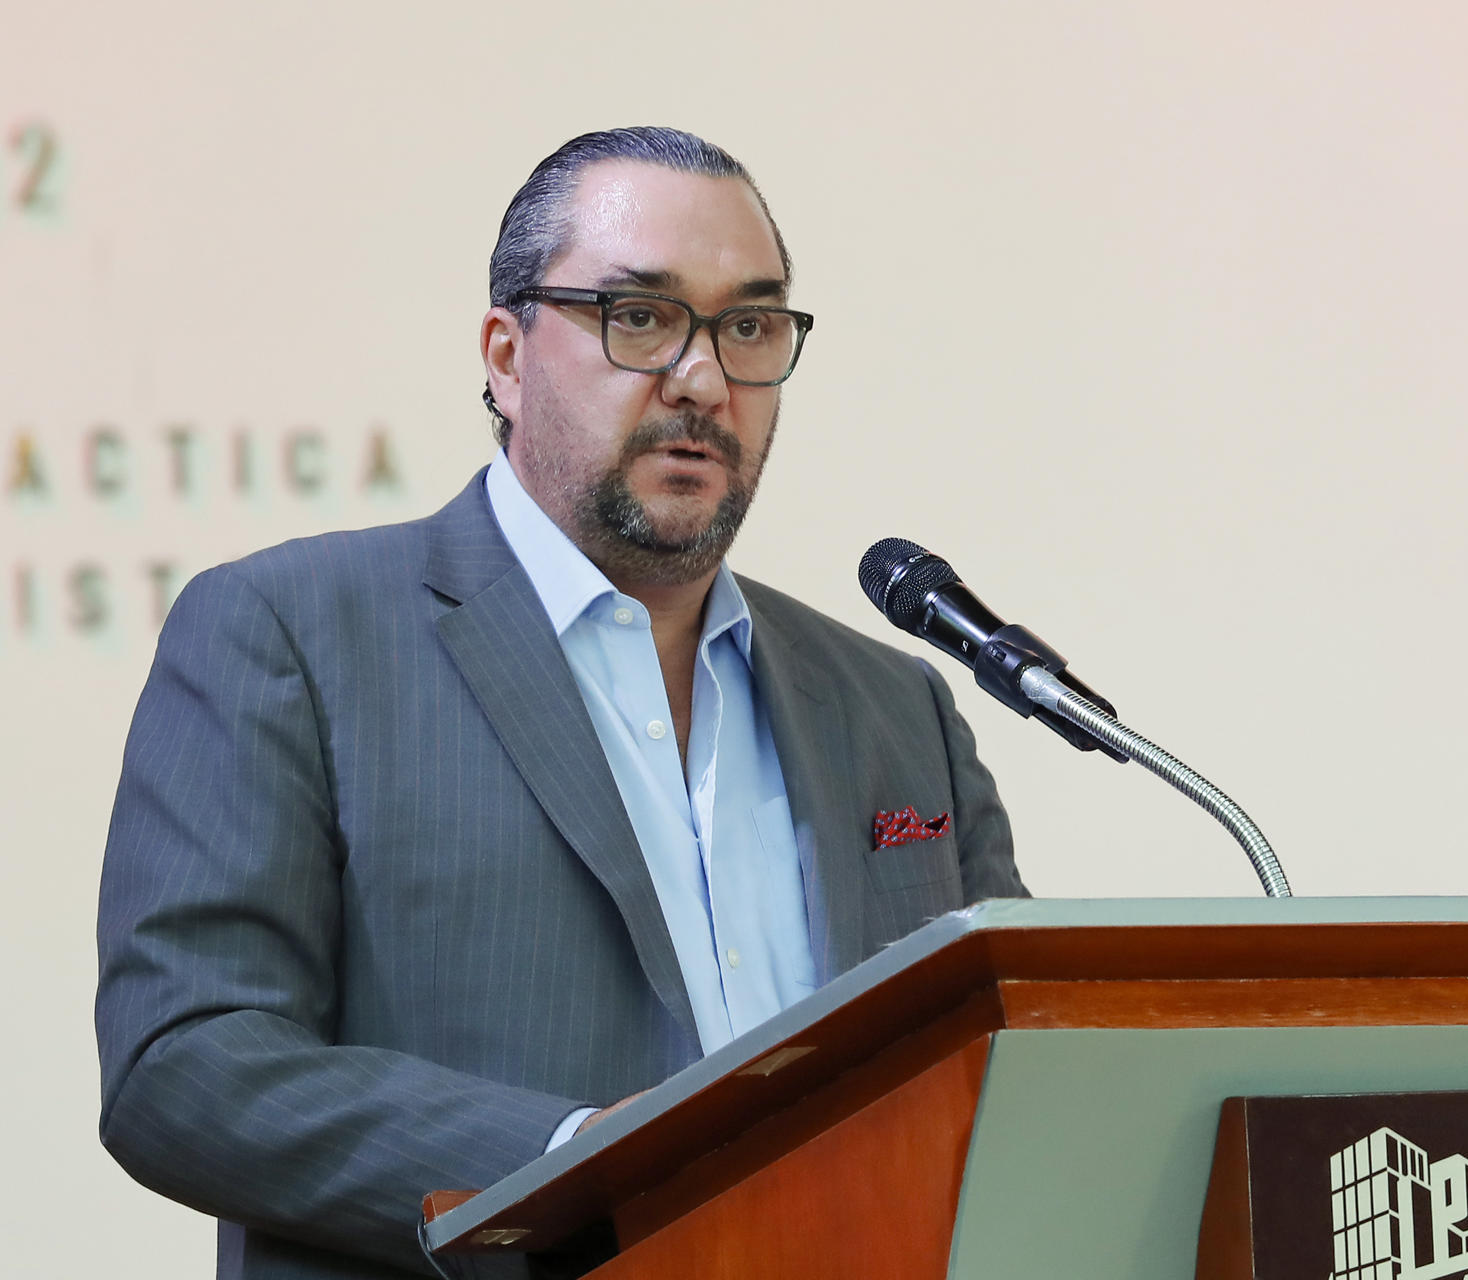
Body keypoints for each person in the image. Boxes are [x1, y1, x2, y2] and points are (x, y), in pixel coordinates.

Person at [94, 126, 1024, 1280]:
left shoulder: (897, 703)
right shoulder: (288, 630)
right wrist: (573, 1162)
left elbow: (1006, 1061)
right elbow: (186, 1061)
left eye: (749, 326)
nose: (701, 377)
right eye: (638, 316)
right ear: (505, 352)